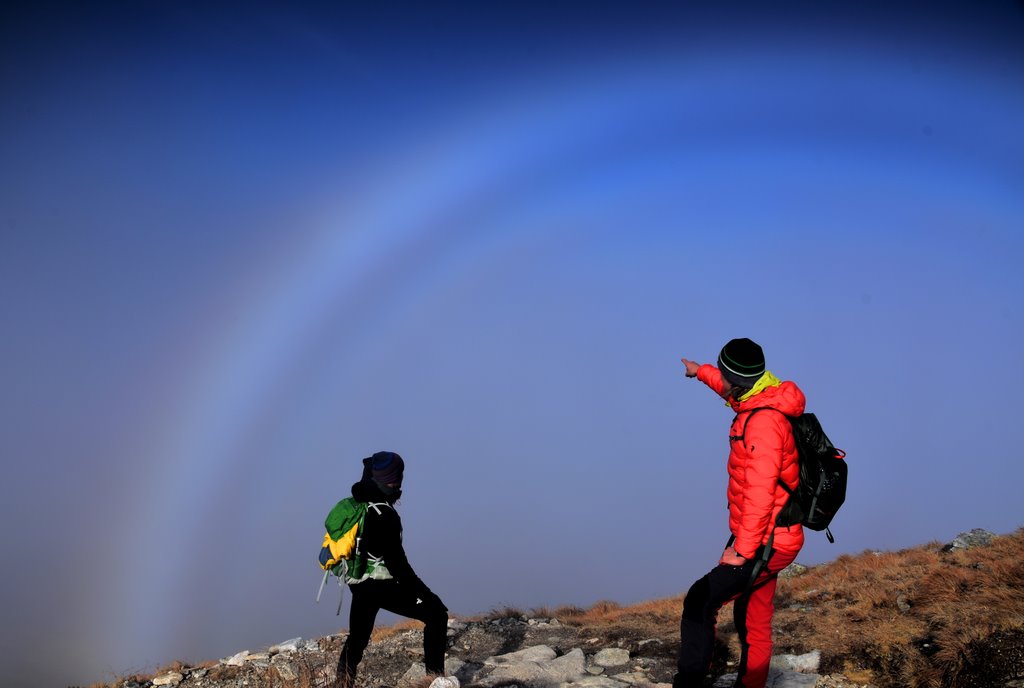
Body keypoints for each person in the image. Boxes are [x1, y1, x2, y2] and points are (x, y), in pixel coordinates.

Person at [674, 338, 806, 688]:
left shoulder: (763, 424)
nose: (720, 379)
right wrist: (700, 372)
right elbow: (726, 385)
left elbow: (761, 494)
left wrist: (743, 552)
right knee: (753, 615)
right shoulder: (760, 393)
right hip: (773, 533)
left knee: (700, 600)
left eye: (722, 373)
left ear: (737, 381)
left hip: (766, 540)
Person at [335, 451, 448, 688]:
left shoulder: (361, 504)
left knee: (358, 637)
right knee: (437, 614)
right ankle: (434, 680)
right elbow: (398, 566)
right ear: (393, 481)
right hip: (380, 585)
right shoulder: (384, 514)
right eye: (399, 478)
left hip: (358, 582)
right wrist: (427, 595)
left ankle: (342, 684)